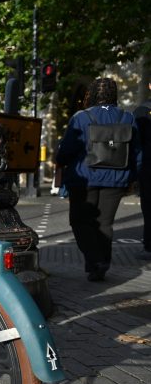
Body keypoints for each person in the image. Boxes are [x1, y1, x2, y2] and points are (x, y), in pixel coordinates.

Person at [56, 78, 142, 281]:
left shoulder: (81, 117)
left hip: (84, 178)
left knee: (79, 221)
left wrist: (60, 160)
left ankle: (95, 260)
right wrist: (132, 177)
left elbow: (67, 149)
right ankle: (98, 266)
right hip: (116, 178)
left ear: (93, 94)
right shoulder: (127, 117)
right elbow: (137, 153)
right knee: (105, 223)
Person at [133, 80, 151, 260]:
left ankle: (149, 245)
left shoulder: (141, 111)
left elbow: (135, 144)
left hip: (148, 166)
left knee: (148, 207)